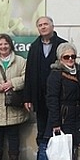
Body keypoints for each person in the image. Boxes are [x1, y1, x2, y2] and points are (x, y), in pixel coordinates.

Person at [46, 43, 80, 160]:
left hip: (76, 114)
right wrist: (55, 122)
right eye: (66, 57)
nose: (70, 59)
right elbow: (52, 99)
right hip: (63, 115)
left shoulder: (78, 72)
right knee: (60, 148)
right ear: (60, 58)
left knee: (70, 147)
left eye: (73, 56)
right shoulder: (55, 75)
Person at [23, 16, 67, 148]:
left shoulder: (63, 45)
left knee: (58, 130)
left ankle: (59, 159)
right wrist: (27, 98)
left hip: (59, 97)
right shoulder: (34, 47)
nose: (43, 27)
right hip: (40, 97)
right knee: (42, 130)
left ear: (52, 26)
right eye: (40, 25)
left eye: (45, 24)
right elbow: (29, 73)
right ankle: (42, 157)